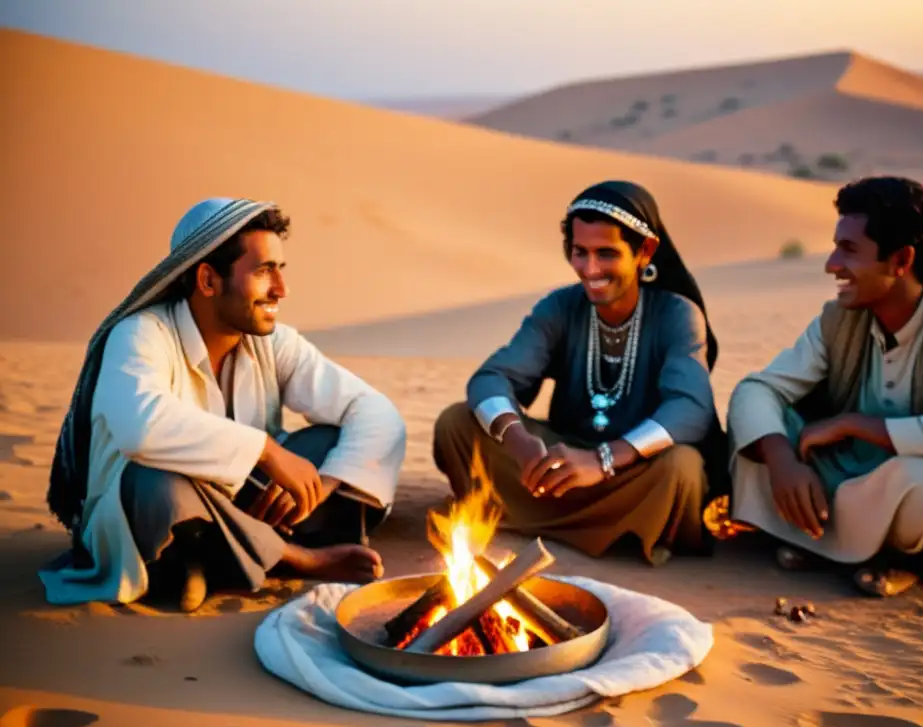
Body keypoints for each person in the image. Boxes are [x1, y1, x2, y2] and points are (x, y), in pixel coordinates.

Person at [40, 198, 406, 611]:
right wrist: (267, 452)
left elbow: (377, 413)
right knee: (154, 483)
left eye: (280, 271)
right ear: (208, 280)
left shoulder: (274, 343)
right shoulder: (142, 333)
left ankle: (208, 561)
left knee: (331, 442)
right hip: (162, 507)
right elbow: (139, 426)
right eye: (264, 271)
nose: (281, 290)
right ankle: (293, 557)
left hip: (240, 505)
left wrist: (321, 486)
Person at [726, 176, 923, 596]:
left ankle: (884, 554)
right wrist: (782, 462)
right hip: (852, 479)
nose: (832, 264)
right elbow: (757, 390)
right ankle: (838, 541)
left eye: (848, 250)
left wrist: (854, 424)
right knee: (757, 438)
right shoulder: (840, 319)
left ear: (901, 260)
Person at [433, 180, 729, 565]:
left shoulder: (677, 314)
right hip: (561, 464)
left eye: (606, 254)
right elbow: (493, 377)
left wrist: (604, 460)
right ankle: (585, 523)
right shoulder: (560, 307)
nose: (590, 269)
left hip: (633, 469)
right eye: (580, 252)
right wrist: (519, 441)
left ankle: (544, 520)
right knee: (456, 422)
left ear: (645, 251)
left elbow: (691, 409)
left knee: (682, 468)